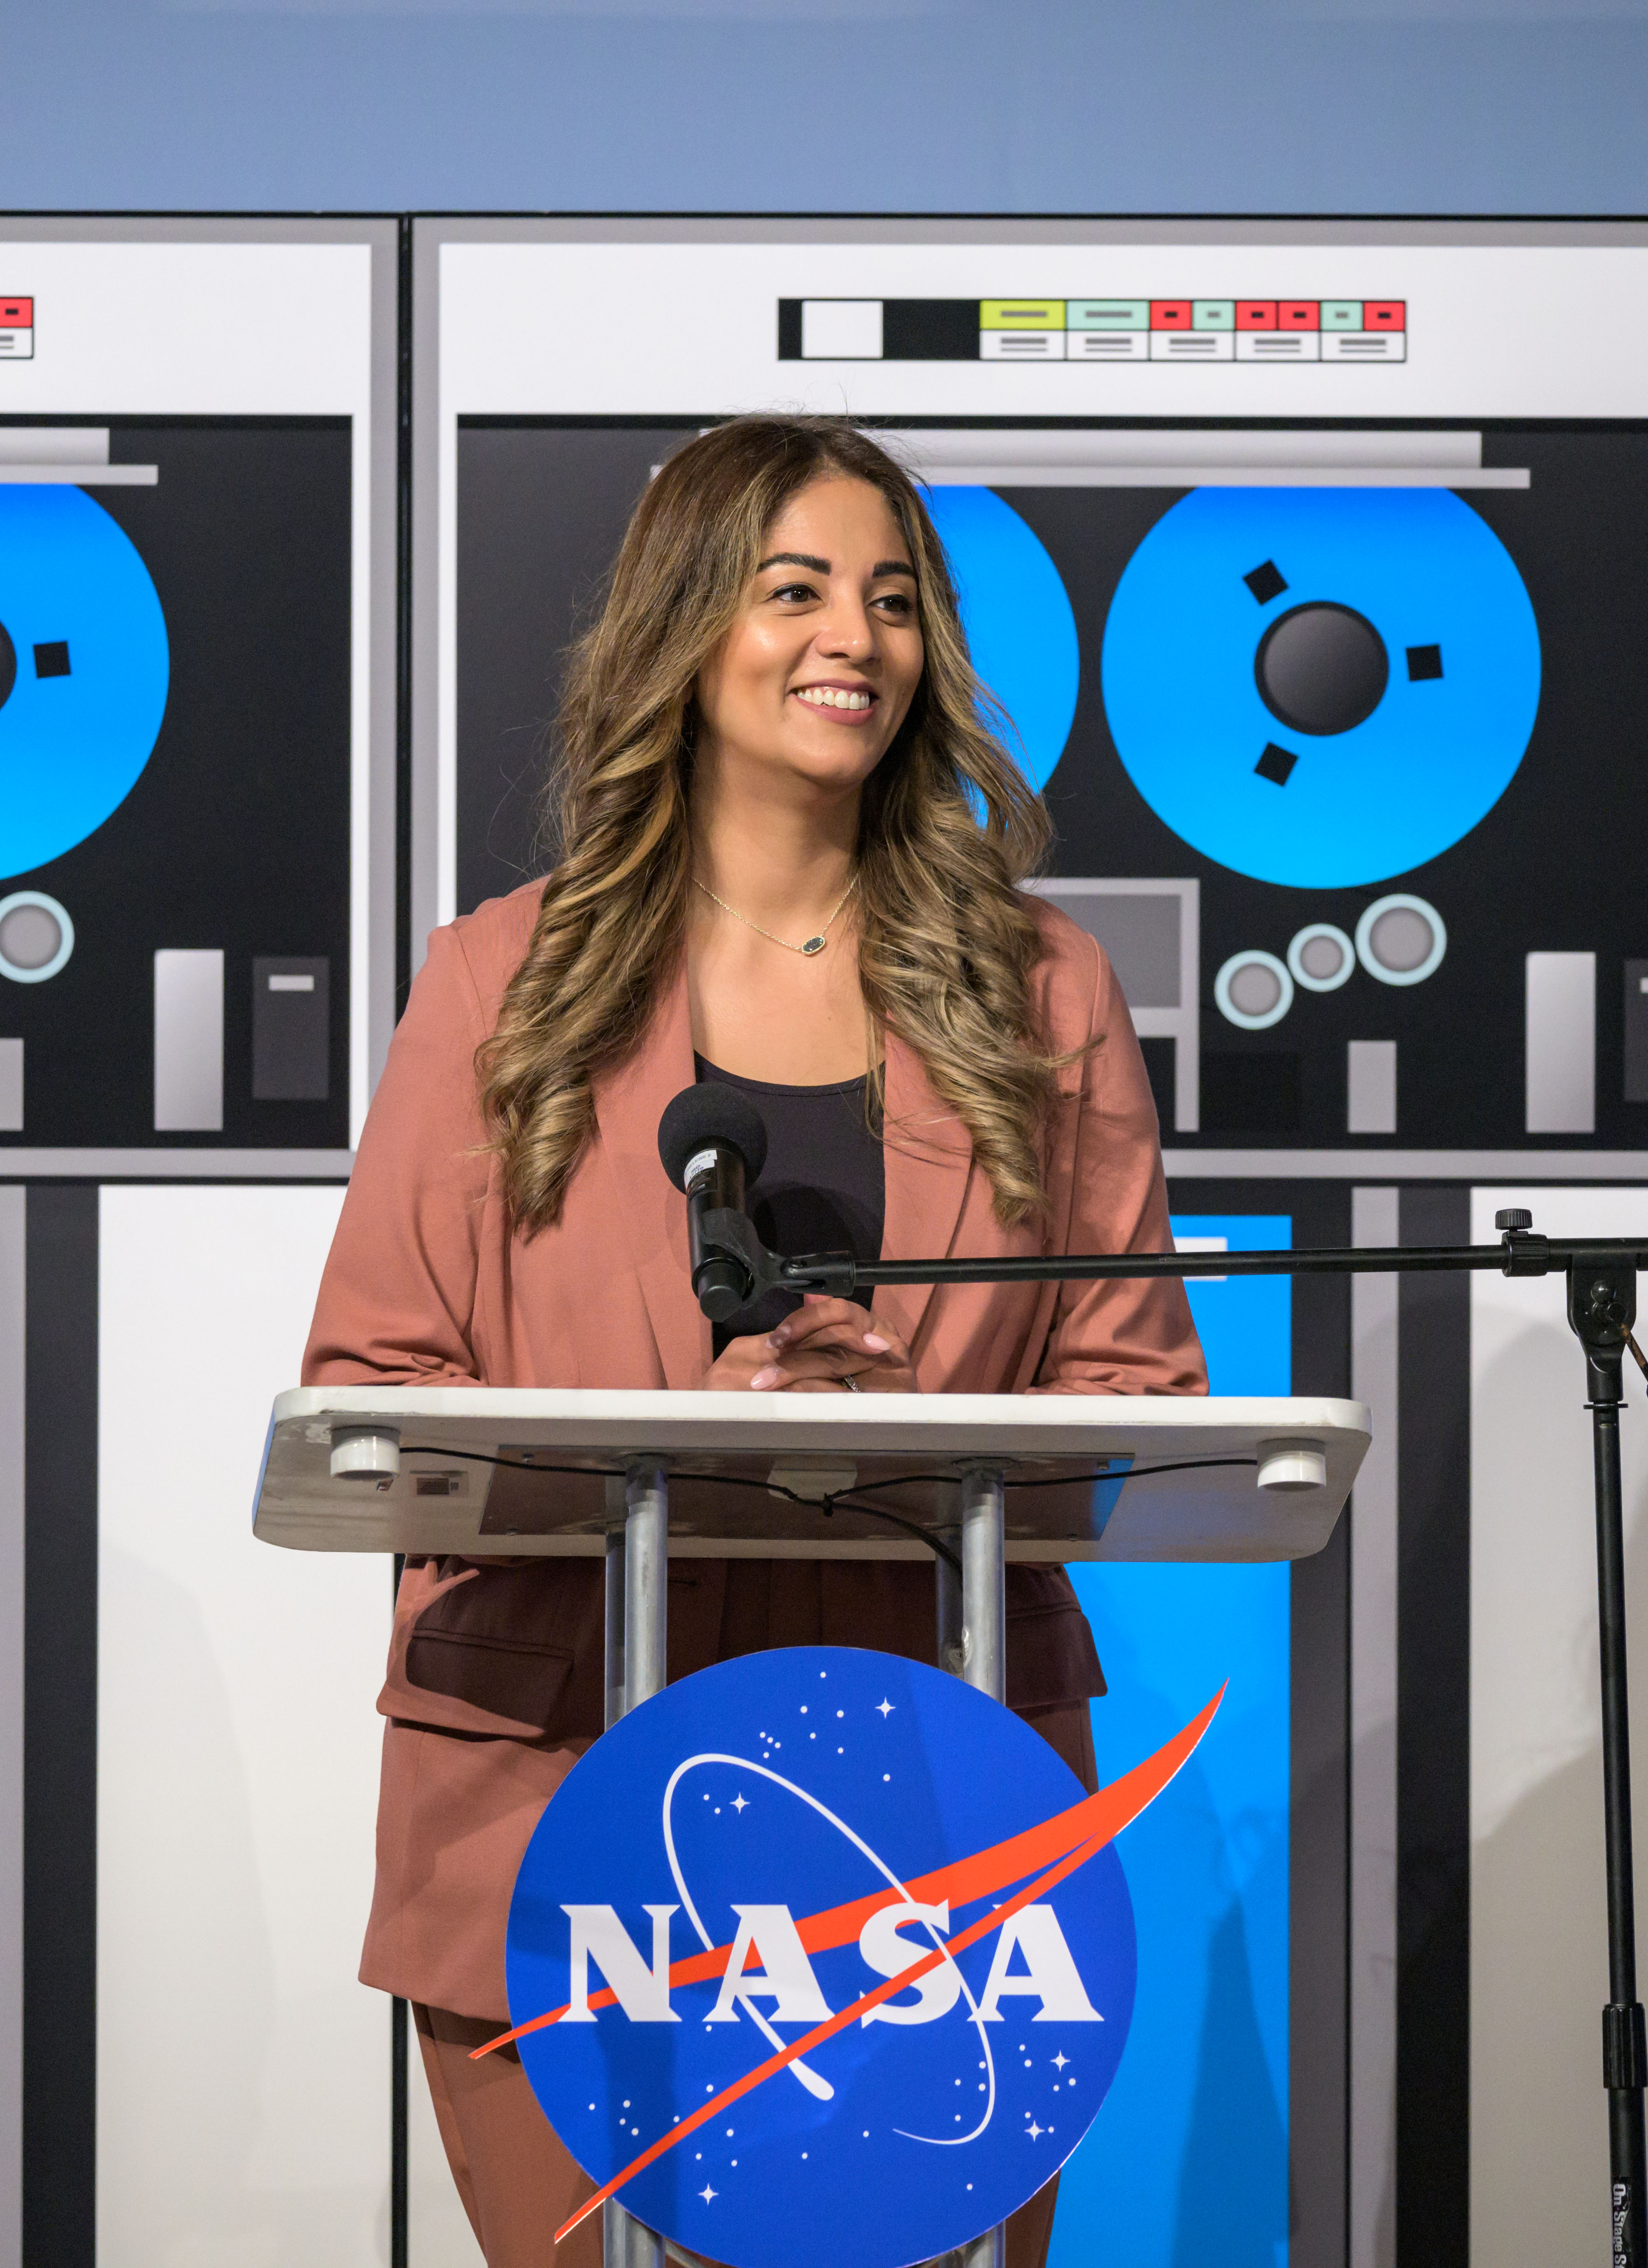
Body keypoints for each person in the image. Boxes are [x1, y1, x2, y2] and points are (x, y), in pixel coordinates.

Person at [302, 412, 1204, 2268]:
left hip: (938, 1806)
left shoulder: (1048, 989)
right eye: (794, 588)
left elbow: (1136, 1387)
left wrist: (926, 1426)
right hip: (561, 1787)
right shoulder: (500, 981)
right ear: (688, 631)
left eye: (890, 596)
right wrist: (662, 1426)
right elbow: (380, 1391)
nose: (849, 638)